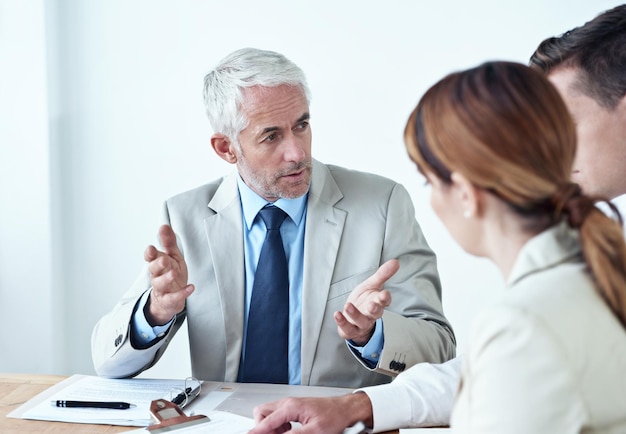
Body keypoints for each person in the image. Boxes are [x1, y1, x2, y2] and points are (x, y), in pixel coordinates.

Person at [250, 6, 626, 432]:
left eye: (430, 182)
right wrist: (358, 405)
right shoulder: (588, 280)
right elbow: (486, 376)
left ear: (465, 193)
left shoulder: (526, 323)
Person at [91, 47, 456, 388]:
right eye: (271, 136)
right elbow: (107, 362)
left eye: (301, 125)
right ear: (227, 148)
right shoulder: (186, 218)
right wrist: (155, 312)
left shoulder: (382, 205)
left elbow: (440, 346)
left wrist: (372, 335)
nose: (296, 152)